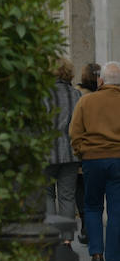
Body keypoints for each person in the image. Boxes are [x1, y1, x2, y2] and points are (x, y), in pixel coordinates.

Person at [70, 61, 120, 261]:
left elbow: (75, 131)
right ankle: (114, 260)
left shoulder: (86, 101)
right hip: (118, 159)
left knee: (92, 206)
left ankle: (96, 253)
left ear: (101, 81)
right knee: (117, 210)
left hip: (92, 159)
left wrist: (82, 151)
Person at [47, 58, 83, 246]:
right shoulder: (76, 95)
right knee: (67, 196)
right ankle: (67, 239)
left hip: (47, 151)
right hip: (70, 152)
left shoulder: (43, 95)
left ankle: (50, 235)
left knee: (47, 194)